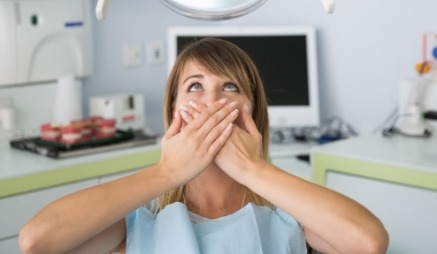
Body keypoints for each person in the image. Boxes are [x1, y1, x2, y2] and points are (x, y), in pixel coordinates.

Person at [19, 38, 389, 254]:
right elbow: (36, 240)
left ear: (253, 111)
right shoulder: (138, 225)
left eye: (230, 87)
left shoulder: (288, 220)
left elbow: (369, 243)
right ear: (172, 111)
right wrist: (167, 172)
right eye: (195, 86)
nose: (212, 102)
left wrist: (253, 169)